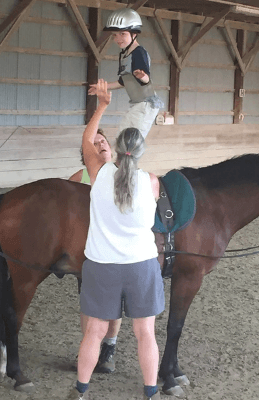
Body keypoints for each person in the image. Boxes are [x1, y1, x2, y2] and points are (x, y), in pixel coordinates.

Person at [68, 80, 164, 400]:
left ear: (115, 148)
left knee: (94, 332)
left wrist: (104, 105)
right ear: (139, 152)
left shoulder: (99, 173)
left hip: (101, 266)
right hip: (141, 265)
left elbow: (86, 139)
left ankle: (81, 390)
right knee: (144, 333)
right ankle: (150, 392)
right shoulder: (151, 181)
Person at [69, 129, 121, 374]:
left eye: (104, 142)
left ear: (111, 148)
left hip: (118, 252)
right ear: (86, 153)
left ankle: (109, 348)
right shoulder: (78, 178)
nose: (101, 145)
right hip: (87, 252)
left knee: (115, 304)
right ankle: (90, 348)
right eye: (95, 143)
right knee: (88, 304)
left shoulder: (125, 176)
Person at [88, 8, 163, 139]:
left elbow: (146, 79)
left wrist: (143, 77)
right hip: (137, 104)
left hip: (146, 104)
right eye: (115, 35)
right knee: (122, 137)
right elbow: (123, 81)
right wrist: (103, 87)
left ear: (134, 34)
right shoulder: (124, 55)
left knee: (131, 142)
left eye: (123, 34)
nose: (118, 39)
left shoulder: (139, 52)